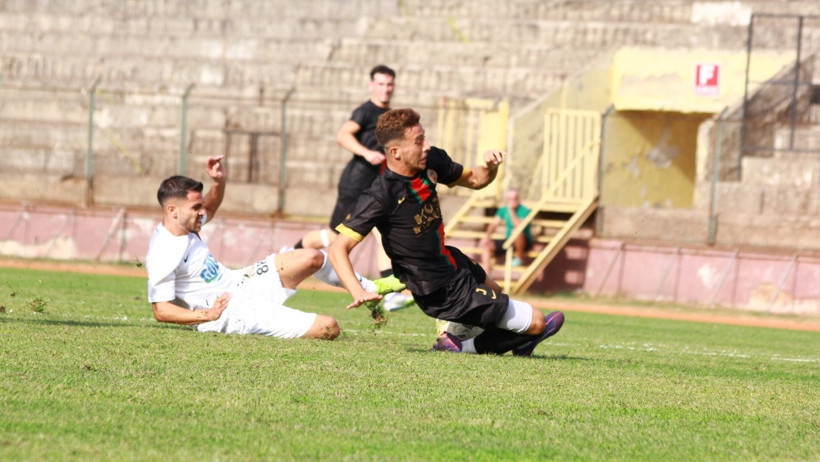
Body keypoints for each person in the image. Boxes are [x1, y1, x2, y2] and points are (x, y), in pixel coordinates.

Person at [329, 108, 564, 355]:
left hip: (451, 260)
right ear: (395, 152)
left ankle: (455, 335)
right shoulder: (379, 196)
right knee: (539, 322)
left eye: (425, 137)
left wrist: (489, 165)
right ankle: (461, 347)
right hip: (436, 286)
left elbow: (475, 180)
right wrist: (357, 290)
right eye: (418, 142)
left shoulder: (431, 161)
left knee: (495, 291)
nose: (427, 146)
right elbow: (337, 249)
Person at [146, 155, 398, 340]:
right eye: (195, 208)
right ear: (172, 211)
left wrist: (219, 181)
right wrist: (207, 315)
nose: (202, 212)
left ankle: (369, 289)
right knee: (329, 328)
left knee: (312, 257)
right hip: (229, 312)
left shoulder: (187, 224)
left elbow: (211, 207)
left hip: (239, 281)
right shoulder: (164, 251)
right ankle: (268, 319)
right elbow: (161, 310)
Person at [289, 64, 413, 312]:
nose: (385, 89)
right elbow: (343, 135)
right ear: (371, 85)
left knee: (381, 232)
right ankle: (287, 256)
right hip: (355, 184)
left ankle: (389, 291)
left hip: (376, 188)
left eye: (389, 84)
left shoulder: (390, 115)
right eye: (380, 84)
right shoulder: (365, 111)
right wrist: (367, 154)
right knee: (335, 237)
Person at [479, 189, 534, 271]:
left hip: (524, 241)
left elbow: (519, 227)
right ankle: (486, 273)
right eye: (511, 198)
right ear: (507, 200)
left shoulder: (525, 210)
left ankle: (520, 257)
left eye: (515, 198)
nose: (513, 201)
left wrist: (511, 211)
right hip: (509, 240)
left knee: (516, 232)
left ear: (518, 198)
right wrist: (487, 237)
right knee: (487, 245)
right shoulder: (503, 210)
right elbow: (494, 224)